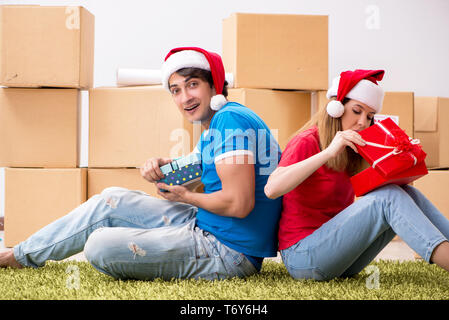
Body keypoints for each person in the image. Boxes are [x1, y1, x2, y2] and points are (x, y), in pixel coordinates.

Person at [0, 47, 282, 280]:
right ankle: (19, 255)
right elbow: (184, 174)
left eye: (193, 85)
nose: (185, 98)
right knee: (110, 198)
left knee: (99, 245)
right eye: (176, 90)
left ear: (215, 85)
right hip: (209, 226)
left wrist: (188, 197)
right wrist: (162, 167)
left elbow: (239, 204)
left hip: (229, 252)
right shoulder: (219, 125)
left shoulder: (229, 122)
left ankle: (23, 254)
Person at [264, 69, 449, 281]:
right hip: (303, 257)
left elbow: (383, 196)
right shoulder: (307, 141)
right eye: (356, 111)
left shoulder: (354, 149)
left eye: (369, 117)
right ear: (337, 108)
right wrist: (329, 152)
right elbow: (271, 189)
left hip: (341, 258)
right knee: (389, 198)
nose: (362, 122)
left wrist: (402, 158)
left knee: (404, 192)